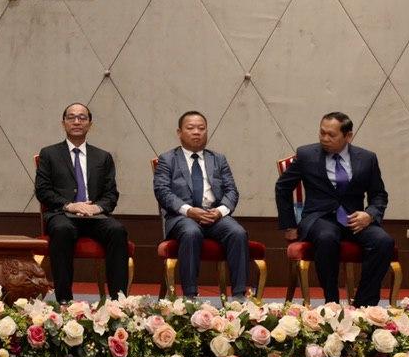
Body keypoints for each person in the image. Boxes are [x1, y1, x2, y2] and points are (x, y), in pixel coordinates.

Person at [275, 112, 393, 306]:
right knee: (327, 237)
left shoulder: (367, 158)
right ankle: (332, 302)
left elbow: (379, 194)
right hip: (319, 218)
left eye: (331, 135)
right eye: (322, 133)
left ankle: (363, 304)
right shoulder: (306, 155)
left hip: (354, 219)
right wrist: (289, 225)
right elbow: (283, 187)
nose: (325, 138)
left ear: (348, 136)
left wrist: (370, 214)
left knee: (383, 241)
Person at [34, 103, 129, 303]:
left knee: (117, 230)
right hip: (62, 214)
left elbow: (111, 194)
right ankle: (64, 301)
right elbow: (43, 191)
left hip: (95, 216)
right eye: (71, 117)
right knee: (63, 230)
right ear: (63, 123)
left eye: (82, 117)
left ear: (90, 124)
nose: (77, 121)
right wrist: (70, 205)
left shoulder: (102, 157)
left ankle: (119, 303)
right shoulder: (49, 154)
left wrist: (96, 207)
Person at [153, 111, 249, 298]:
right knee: (191, 232)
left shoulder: (218, 159)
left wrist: (220, 211)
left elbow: (232, 191)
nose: (197, 132)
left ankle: (239, 297)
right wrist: (189, 211)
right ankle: (190, 297)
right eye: (190, 128)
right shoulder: (167, 159)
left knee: (238, 232)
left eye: (201, 128)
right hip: (182, 217)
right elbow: (162, 192)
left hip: (214, 216)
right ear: (179, 132)